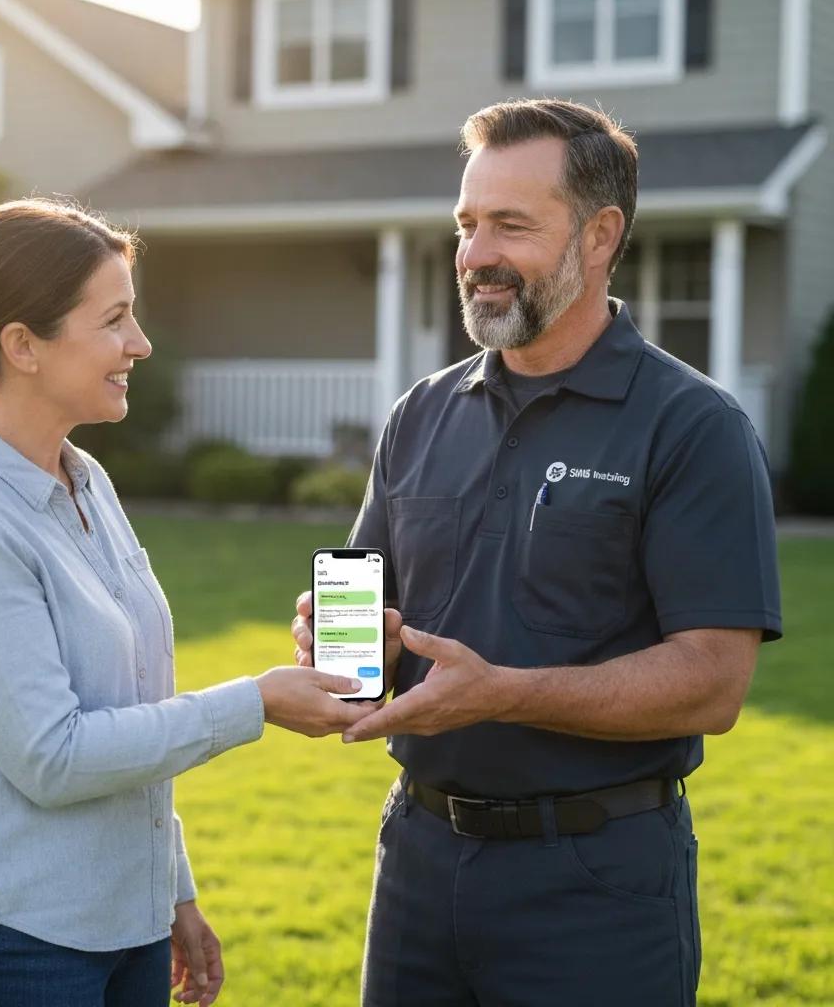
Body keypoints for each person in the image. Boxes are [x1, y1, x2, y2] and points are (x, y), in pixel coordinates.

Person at [292, 99, 781, 1007]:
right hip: (419, 861)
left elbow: (714, 684)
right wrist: (340, 646)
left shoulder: (692, 426)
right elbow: (364, 617)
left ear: (599, 237)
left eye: (510, 225)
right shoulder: (421, 413)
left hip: (597, 883)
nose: (476, 253)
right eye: (467, 225)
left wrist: (506, 693)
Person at [0, 198, 377, 1007]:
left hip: (122, 926)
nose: (141, 344)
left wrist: (172, 891)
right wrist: (254, 703)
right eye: (115, 319)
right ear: (23, 346)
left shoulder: (86, 479)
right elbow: (53, 756)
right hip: (7, 942)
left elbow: (126, 708)